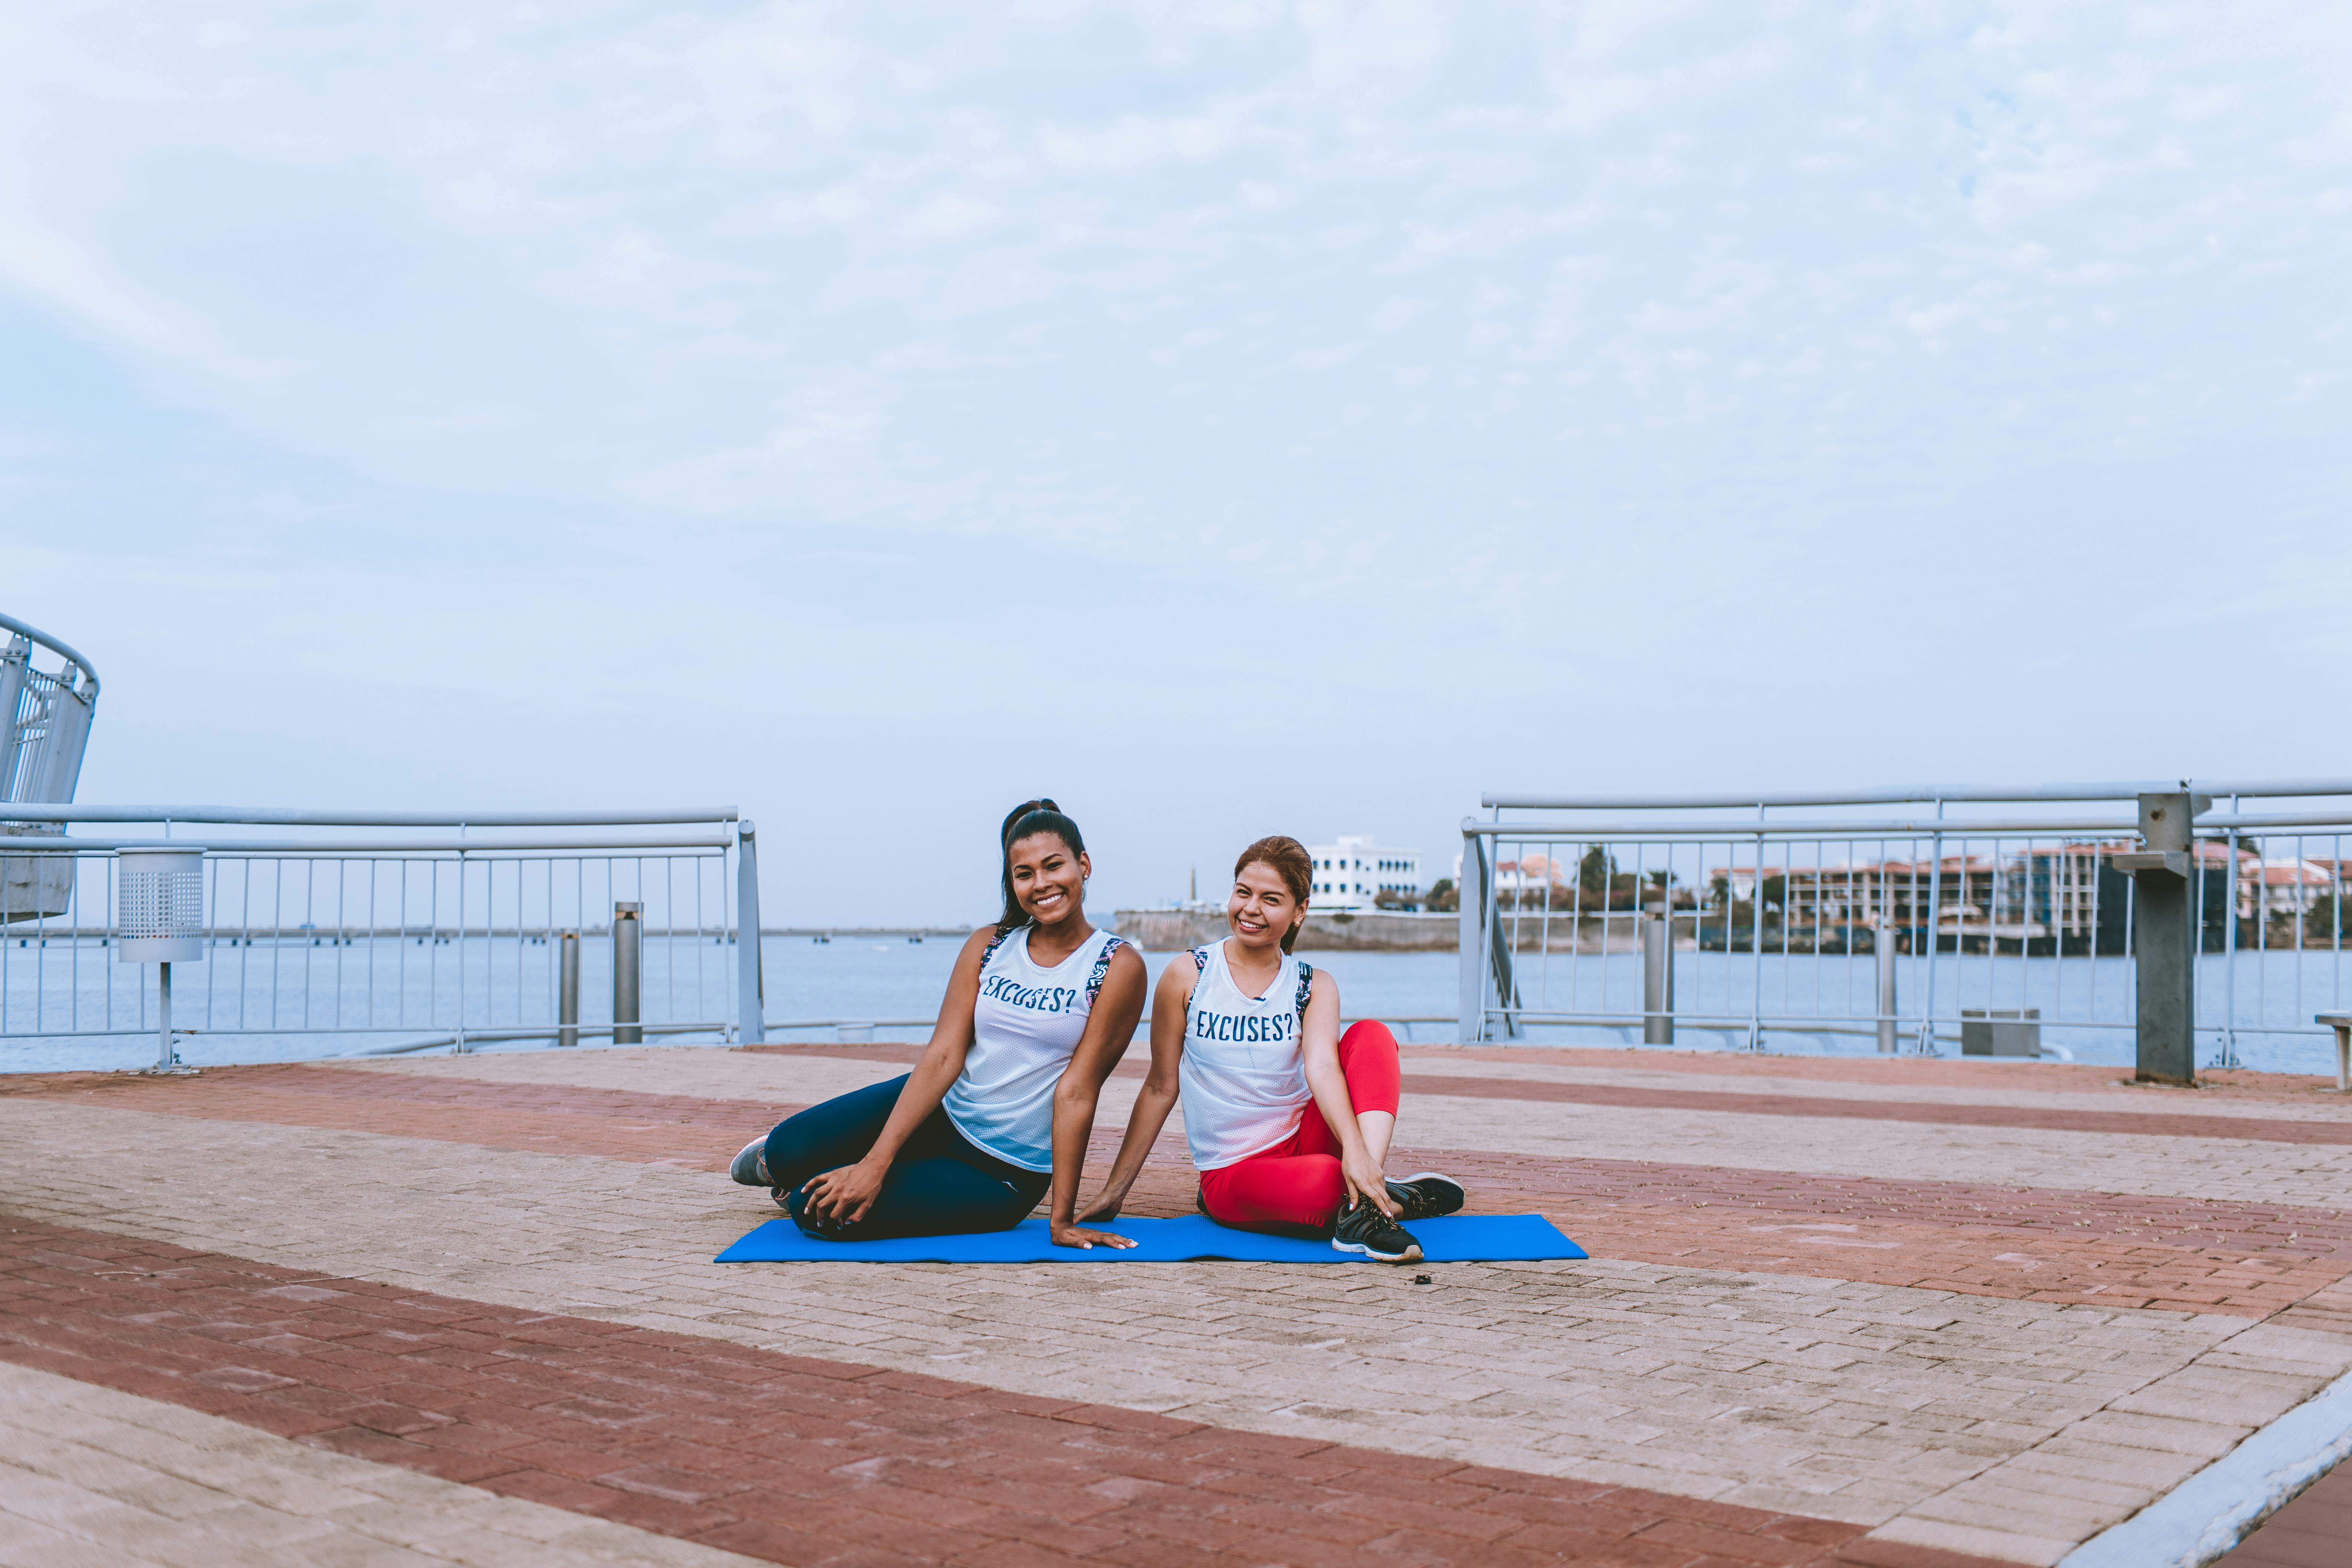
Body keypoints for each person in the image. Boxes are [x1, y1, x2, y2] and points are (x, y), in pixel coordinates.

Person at [730, 799, 1148, 1248]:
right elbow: (944, 1054)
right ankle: (820, 1162)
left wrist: (1061, 1220)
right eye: (1024, 873)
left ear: (1083, 865)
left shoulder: (1116, 965)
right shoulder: (990, 945)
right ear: (1012, 882)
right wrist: (875, 1161)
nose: (1041, 883)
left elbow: (1077, 1090)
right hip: (941, 1112)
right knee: (786, 1148)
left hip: (1000, 1172)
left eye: (1053, 866)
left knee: (811, 1213)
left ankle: (829, 1175)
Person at [1078, 835, 1464, 1263]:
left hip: (1305, 1139)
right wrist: (1115, 1191)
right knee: (1324, 1182)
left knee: (1371, 1035)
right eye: (1243, 892)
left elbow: (1323, 1069)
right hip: (1233, 1171)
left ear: (1300, 909)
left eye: (1271, 899)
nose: (1251, 908)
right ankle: (1375, 1195)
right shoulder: (1189, 974)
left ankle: (1368, 1201)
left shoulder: (1312, 984)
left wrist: (1356, 1151)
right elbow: (1159, 1087)